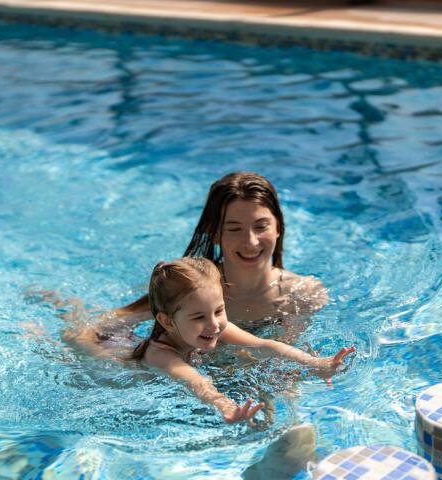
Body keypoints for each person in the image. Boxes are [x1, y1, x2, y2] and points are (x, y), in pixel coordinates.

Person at [64, 257, 354, 424]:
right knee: (76, 336)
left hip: (131, 337)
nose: (214, 324)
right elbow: (195, 381)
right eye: (199, 316)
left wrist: (316, 363)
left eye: (219, 310)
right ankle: (56, 312)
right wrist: (225, 406)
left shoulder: (210, 326)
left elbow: (265, 345)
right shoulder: (159, 354)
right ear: (166, 321)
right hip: (111, 350)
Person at [50, 172, 328, 344]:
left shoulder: (302, 296)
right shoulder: (189, 289)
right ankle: (57, 300)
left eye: (261, 226)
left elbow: (287, 368)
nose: (251, 241)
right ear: (214, 233)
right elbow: (90, 330)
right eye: (234, 229)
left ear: (279, 226)